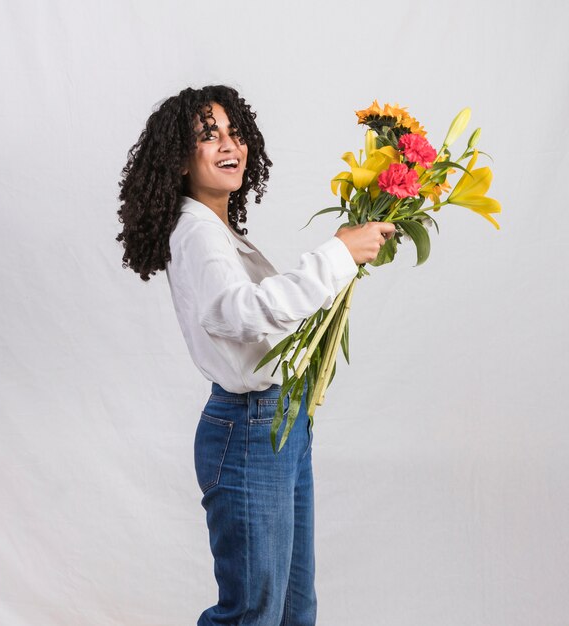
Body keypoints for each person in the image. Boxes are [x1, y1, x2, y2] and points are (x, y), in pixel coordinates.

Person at [116, 84, 394, 626]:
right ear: (179, 157)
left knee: (292, 608)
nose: (229, 143)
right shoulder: (196, 232)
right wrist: (336, 255)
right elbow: (237, 311)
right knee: (254, 613)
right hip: (249, 430)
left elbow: (265, 323)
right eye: (208, 134)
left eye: (234, 131)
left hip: (280, 422)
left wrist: (342, 258)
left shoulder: (217, 230)